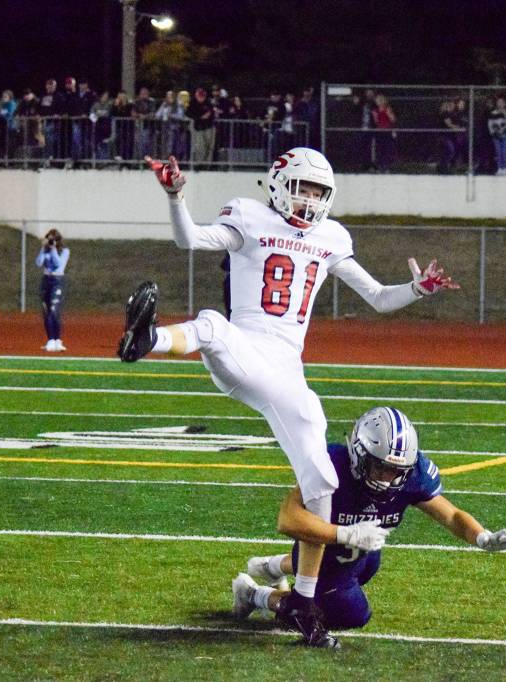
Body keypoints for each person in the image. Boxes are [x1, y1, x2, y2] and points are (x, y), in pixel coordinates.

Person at [118, 147, 458, 647]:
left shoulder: (331, 237)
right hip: (244, 345)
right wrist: (175, 195)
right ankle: (149, 341)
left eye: (321, 191)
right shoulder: (249, 216)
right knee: (212, 323)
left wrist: (418, 288)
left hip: (286, 370)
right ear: (278, 184)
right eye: (304, 187)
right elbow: (188, 238)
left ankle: (300, 598)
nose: (311, 199)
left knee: (319, 478)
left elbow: (381, 298)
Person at [231, 407, 506, 639]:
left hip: (361, 552)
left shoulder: (413, 475)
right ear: (358, 452)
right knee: (352, 614)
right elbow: (288, 518)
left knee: (367, 565)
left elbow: (451, 515)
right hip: (321, 546)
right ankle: (254, 594)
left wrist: (481, 536)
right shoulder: (331, 464)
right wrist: (347, 533)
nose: (386, 478)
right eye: (380, 467)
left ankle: (270, 567)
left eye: (395, 471)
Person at [36, 229, 69, 352]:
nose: (50, 241)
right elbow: (38, 263)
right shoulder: (45, 251)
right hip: (46, 281)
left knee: (54, 311)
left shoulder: (64, 251)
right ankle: (50, 340)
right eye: (49, 239)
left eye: (52, 239)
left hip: (57, 281)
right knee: (46, 312)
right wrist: (43, 248)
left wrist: (53, 249)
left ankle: (57, 340)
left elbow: (59, 264)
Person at [487, 96, 506, 176]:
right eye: (498, 102)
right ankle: (499, 168)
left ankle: (505, 168)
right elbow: (490, 124)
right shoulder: (493, 113)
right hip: (496, 135)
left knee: (505, 151)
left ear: (504, 103)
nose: (500, 104)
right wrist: (493, 132)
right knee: (498, 152)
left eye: (501, 102)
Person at [371, 94, 397, 173]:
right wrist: (375, 115)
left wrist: (388, 113)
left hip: (387, 131)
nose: (379, 102)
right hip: (379, 131)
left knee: (387, 149)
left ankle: (387, 166)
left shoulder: (387, 109)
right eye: (377, 100)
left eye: (380, 100)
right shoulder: (375, 110)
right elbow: (376, 122)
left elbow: (393, 120)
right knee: (379, 149)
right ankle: (379, 166)